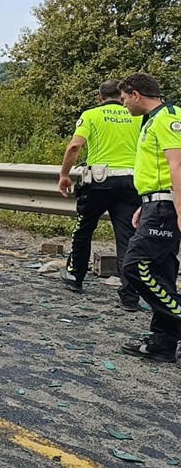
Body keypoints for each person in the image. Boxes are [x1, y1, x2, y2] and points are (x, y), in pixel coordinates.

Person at [56, 80, 142, 308]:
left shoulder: (91, 115)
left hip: (99, 181)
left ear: (99, 97)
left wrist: (64, 174)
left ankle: (75, 276)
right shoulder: (136, 115)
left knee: (84, 229)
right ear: (120, 96)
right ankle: (130, 295)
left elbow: (75, 146)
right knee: (128, 237)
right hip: (131, 181)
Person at [117, 72, 181, 363]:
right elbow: (161, 171)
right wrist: (147, 201)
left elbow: (177, 166)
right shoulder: (152, 120)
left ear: (135, 94)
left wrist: (177, 208)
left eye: (124, 98)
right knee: (163, 272)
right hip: (157, 204)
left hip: (166, 210)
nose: (124, 105)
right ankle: (163, 343)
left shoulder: (168, 117)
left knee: (134, 266)